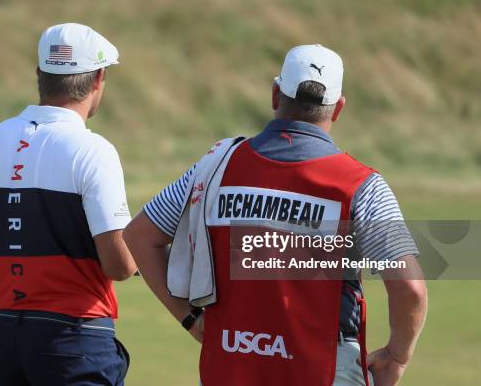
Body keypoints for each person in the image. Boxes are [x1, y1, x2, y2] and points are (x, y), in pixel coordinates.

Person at [123, 44, 427, 386]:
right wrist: (396, 356)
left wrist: (190, 319)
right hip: (325, 370)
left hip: (229, 365)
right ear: (338, 108)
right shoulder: (361, 186)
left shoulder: (215, 166)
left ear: (274, 94)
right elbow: (409, 287)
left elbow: (139, 236)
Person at [0, 23, 137, 386]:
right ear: (98, 78)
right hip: (75, 339)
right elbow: (118, 265)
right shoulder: (94, 152)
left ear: (40, 74)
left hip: (4, 337)